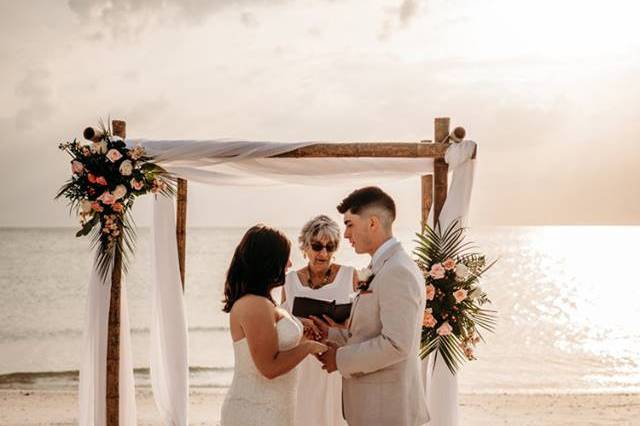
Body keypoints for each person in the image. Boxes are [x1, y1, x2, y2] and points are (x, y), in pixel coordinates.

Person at [315, 186, 430, 426]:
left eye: (349, 224)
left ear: (373, 223)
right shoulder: (384, 266)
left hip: (387, 411)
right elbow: (372, 330)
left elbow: (397, 344)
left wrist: (340, 359)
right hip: (375, 409)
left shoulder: (397, 271)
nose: (345, 235)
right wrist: (331, 333)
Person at [220, 225, 327, 426]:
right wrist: (308, 347)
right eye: (285, 257)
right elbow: (268, 367)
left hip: (274, 408)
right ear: (268, 261)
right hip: (256, 411)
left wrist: (300, 329)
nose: (290, 263)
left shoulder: (262, 302)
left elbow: (275, 344)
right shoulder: (255, 304)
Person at [281, 215, 355, 426]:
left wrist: (340, 326)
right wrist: (301, 326)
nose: (323, 253)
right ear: (305, 246)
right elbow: (282, 324)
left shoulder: (351, 276)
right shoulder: (289, 281)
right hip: (304, 364)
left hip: (337, 360)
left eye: (330, 247)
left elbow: (364, 322)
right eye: (317, 246)